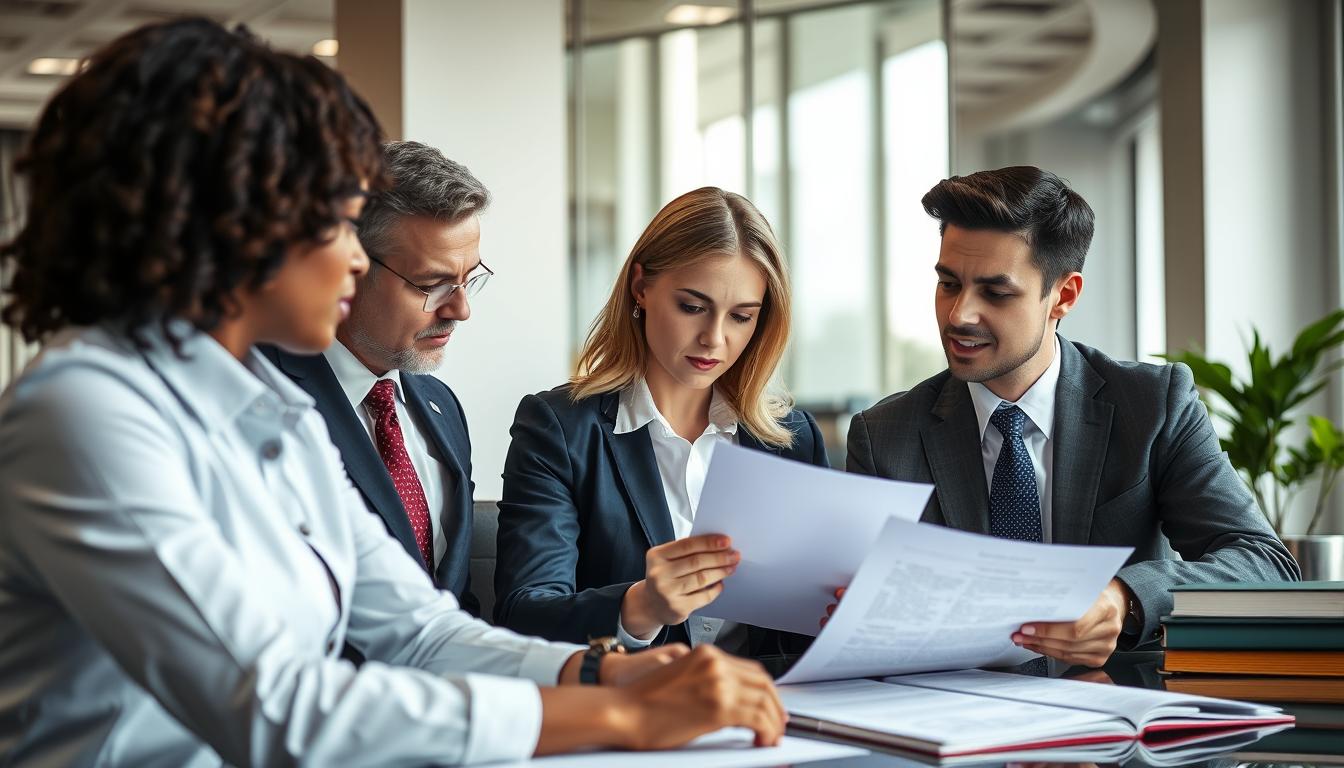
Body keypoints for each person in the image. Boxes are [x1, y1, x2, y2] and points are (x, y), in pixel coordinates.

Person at [0, 19, 786, 766]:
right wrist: (622, 712)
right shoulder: (85, 413)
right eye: (340, 224)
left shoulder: (267, 405)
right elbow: (276, 710)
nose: (353, 260)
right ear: (234, 227)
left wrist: (606, 674)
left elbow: (419, 632)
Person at [842, 166, 1299, 668]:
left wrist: (1123, 597)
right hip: (954, 716)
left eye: (996, 292)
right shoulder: (884, 436)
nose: (959, 315)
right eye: (949, 284)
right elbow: (863, 609)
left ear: (1064, 295)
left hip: (1114, 717)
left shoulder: (1153, 405)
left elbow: (1264, 562)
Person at [494, 187, 828, 659]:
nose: (714, 339)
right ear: (641, 287)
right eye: (692, 307)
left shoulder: (791, 440)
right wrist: (640, 606)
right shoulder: (560, 430)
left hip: (770, 712)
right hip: (632, 711)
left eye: (741, 316)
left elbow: (803, 633)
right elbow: (523, 615)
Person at [264, 140, 489, 615]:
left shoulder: (441, 407)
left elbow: (453, 603)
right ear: (346, 270)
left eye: (470, 278)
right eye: (432, 286)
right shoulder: (264, 401)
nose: (461, 310)